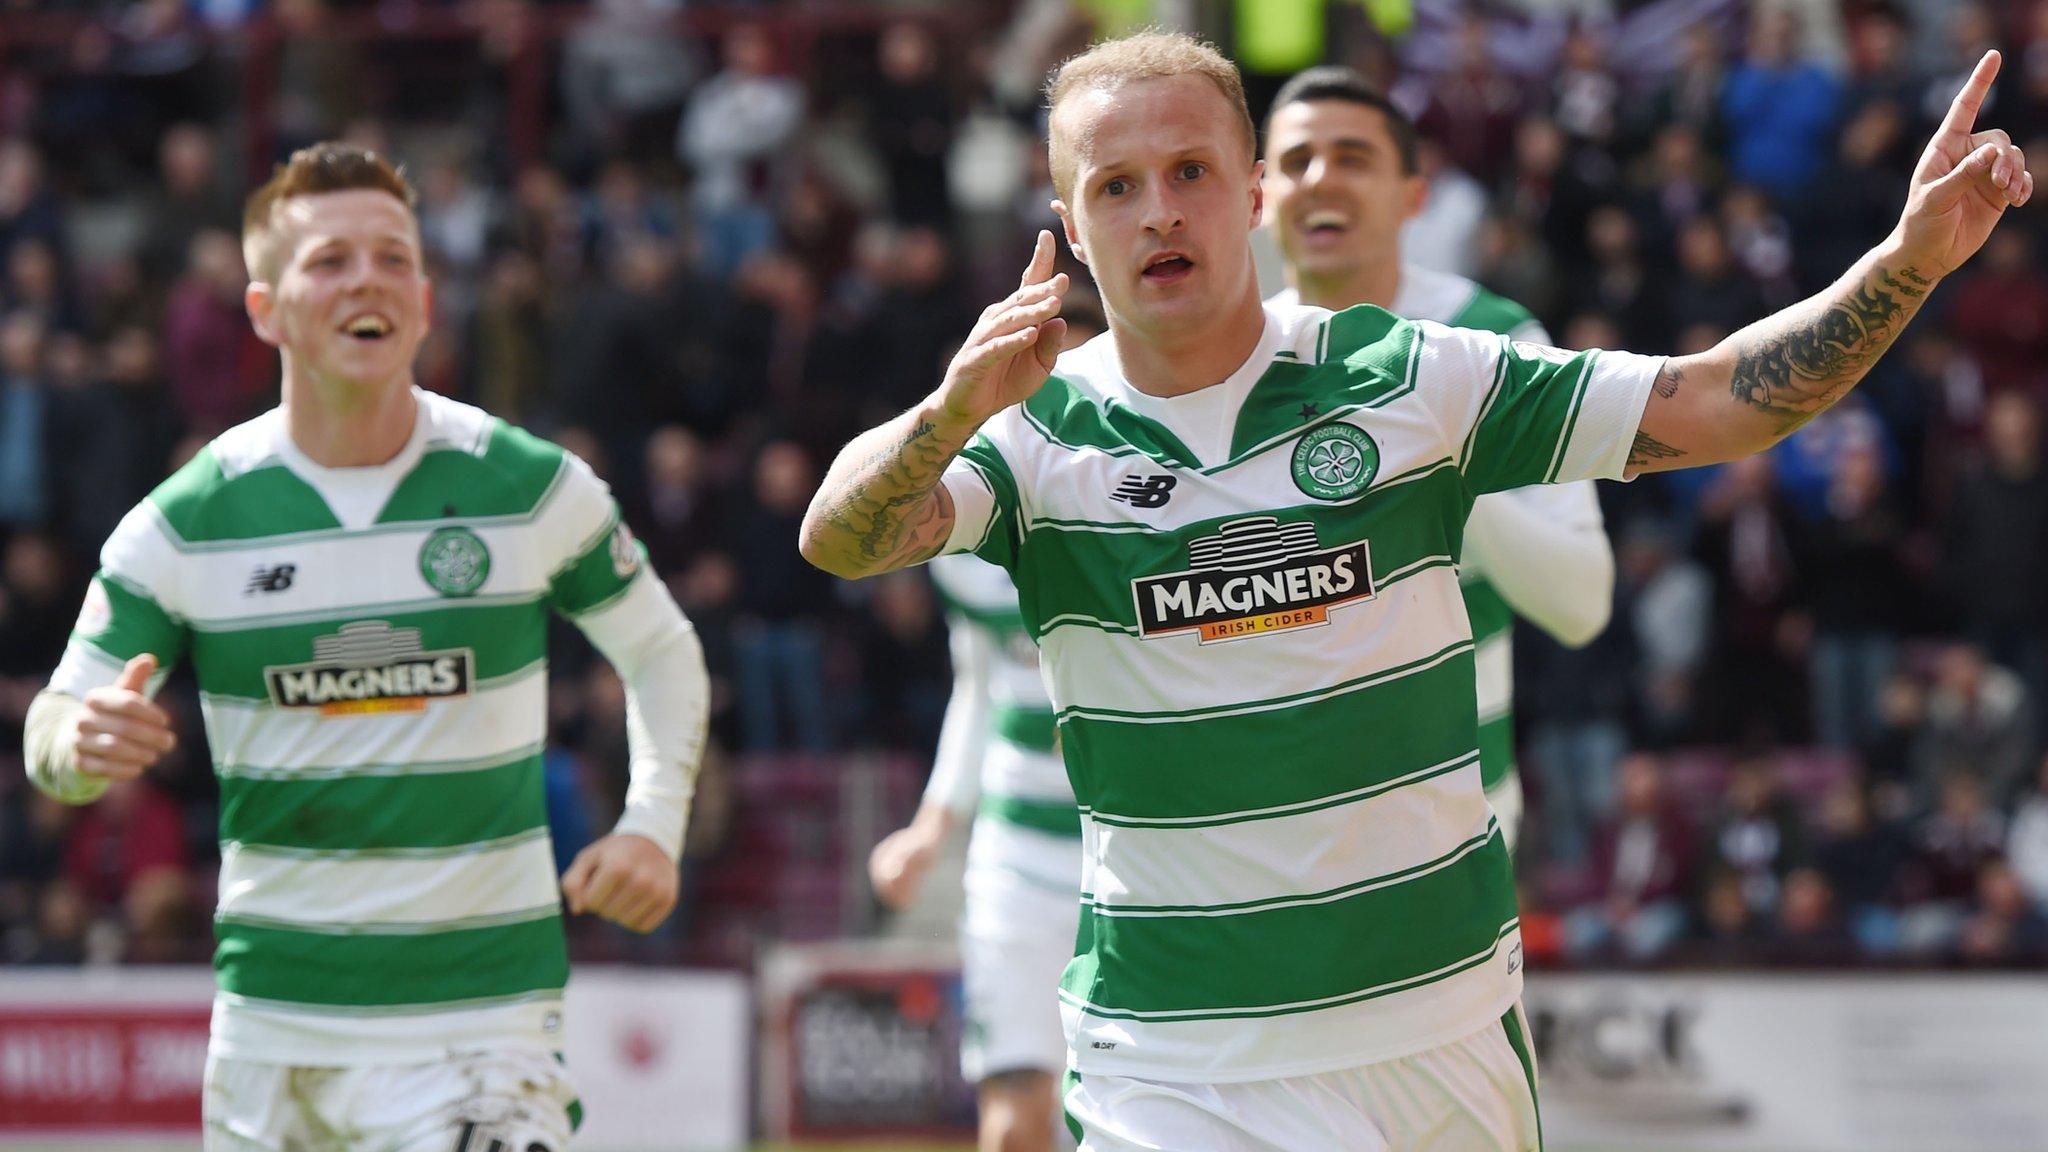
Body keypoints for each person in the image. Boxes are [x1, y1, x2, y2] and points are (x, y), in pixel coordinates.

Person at [799, 31, 2028, 1152]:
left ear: (1253, 194)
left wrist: (1906, 260)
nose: (1157, 211)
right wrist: (948, 409)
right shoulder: (1032, 434)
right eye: (1114, 187)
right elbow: (842, 538)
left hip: (1435, 1041)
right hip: (1173, 1061)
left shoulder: (1408, 376)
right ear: (1067, 221)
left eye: (1189, 171)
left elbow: (1704, 402)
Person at [22, 144, 710, 1152]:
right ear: (264, 311)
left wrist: (652, 821)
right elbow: (57, 715)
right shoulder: (186, 521)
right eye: (330, 260)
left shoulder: (523, 486)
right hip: (275, 1042)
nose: (367, 281)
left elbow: (660, 648)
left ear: (426, 302)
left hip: (485, 1030)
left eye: (393, 258)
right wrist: (76, 743)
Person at [1261, 64, 1614, 850]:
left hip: (1453, 822)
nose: (1322, 179)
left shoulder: (1495, 344)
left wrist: (1441, 478)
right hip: (1266, 834)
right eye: (1296, 161)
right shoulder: (1226, 361)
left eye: (1353, 157)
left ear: (1413, 196)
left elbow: (1582, 602)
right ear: (1259, 197)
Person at [868, 552, 1075, 1152]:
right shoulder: (962, 551)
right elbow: (978, 686)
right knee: (1014, 1126)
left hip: (1139, 857)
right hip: (1018, 859)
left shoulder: (1140, 497)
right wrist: (929, 828)